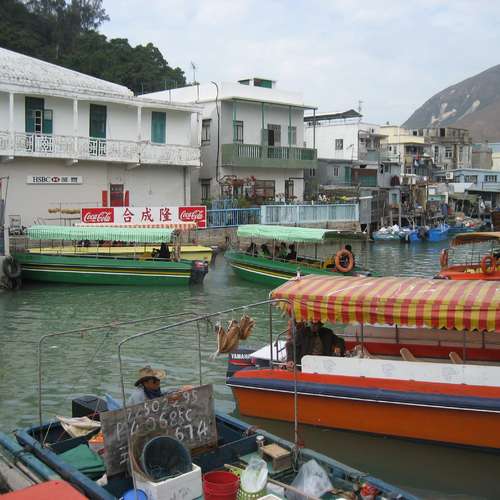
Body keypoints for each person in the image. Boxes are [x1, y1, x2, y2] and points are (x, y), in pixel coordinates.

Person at [127, 365, 192, 406]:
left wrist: (181, 389)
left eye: (158, 379)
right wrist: (167, 400)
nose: (158, 382)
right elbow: (144, 410)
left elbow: (165, 391)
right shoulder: (138, 395)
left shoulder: (154, 390)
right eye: (154, 381)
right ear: (145, 383)